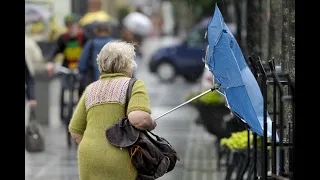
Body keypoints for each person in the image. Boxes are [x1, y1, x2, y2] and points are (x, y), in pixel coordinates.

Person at [68, 41, 157, 180]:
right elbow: (139, 119)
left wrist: (95, 148)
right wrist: (151, 123)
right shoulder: (134, 85)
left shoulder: (91, 89)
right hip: (121, 157)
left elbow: (75, 131)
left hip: (88, 157)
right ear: (128, 63)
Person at [46, 13, 88, 122]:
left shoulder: (83, 37)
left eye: (73, 25)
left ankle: (83, 113)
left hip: (81, 68)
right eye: (68, 25)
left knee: (83, 89)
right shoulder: (63, 38)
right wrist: (50, 62)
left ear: (77, 25)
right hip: (67, 67)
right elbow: (54, 50)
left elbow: (89, 51)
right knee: (64, 86)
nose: (71, 28)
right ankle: (63, 113)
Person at [77, 21, 114, 96]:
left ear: (96, 31)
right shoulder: (116, 43)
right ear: (110, 31)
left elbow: (82, 65)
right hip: (113, 86)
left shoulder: (90, 44)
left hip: (93, 86)